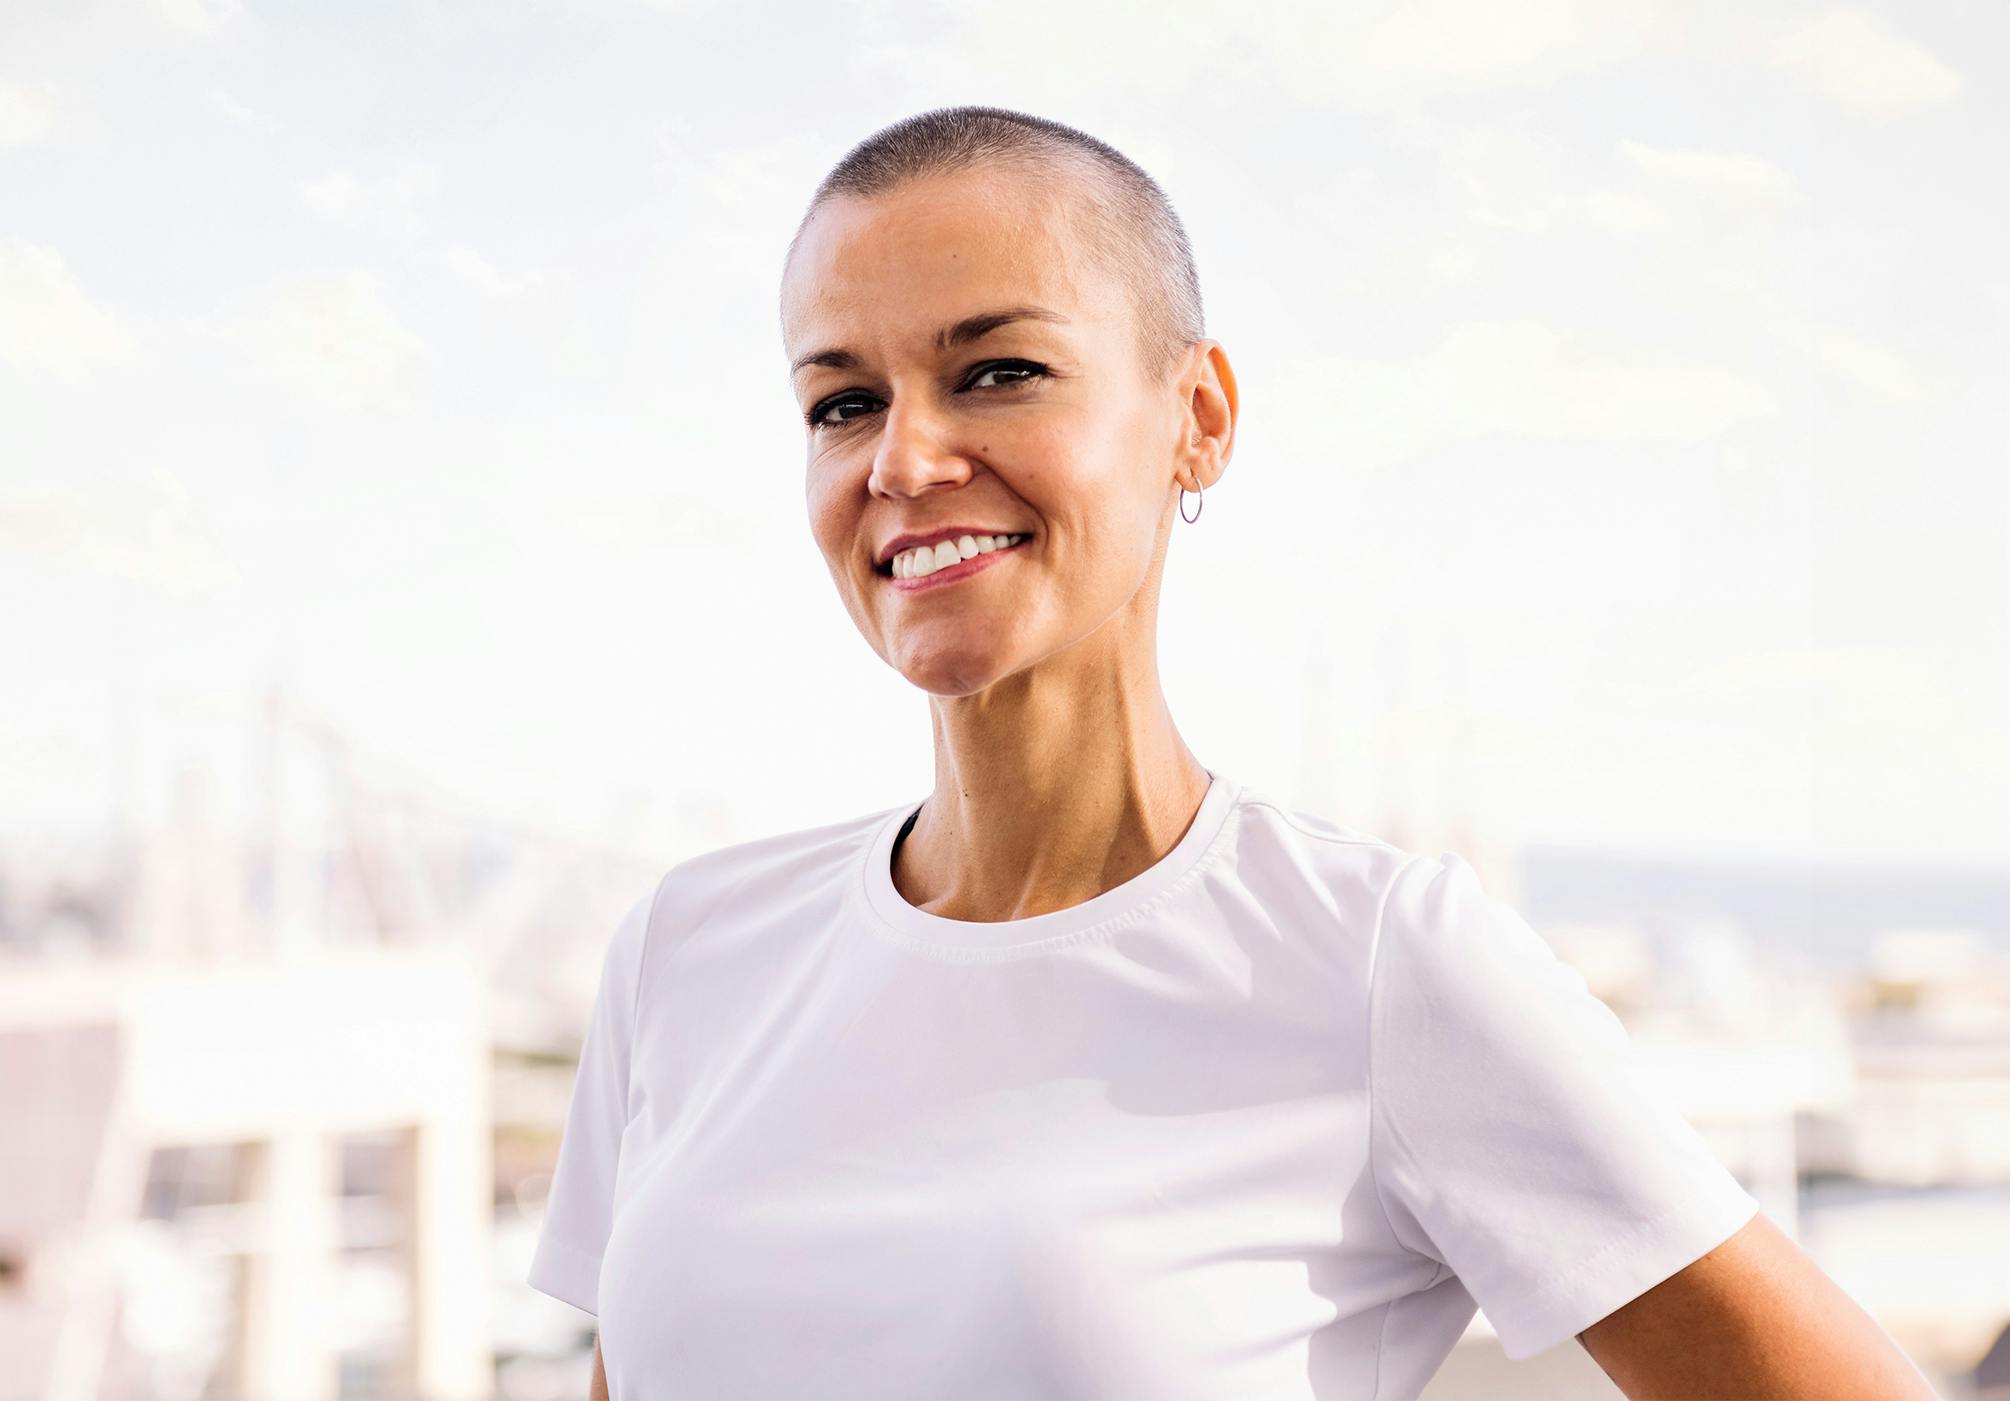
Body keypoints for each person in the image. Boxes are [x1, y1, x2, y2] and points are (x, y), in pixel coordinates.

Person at [527, 105, 1940, 1401]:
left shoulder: (1380, 962)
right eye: (842, 401)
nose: (902, 459)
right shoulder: (689, 951)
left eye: (997, 371)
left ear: (1195, 419)